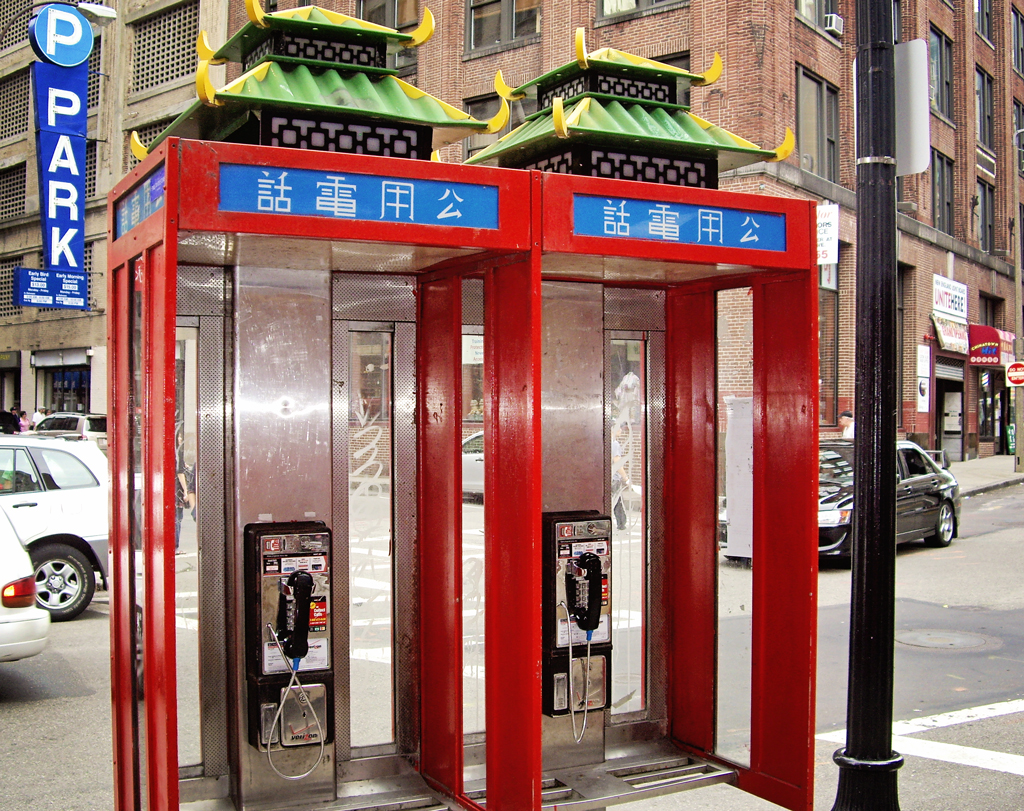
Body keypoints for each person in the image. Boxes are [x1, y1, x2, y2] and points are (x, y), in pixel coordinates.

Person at [611, 423, 630, 531]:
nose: (621, 431)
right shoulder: (614, 444)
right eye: (619, 428)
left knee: (617, 500)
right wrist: (626, 478)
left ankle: (621, 523)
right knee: (616, 501)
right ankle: (621, 524)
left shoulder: (605, 442)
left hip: (608, 477)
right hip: (614, 478)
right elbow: (617, 462)